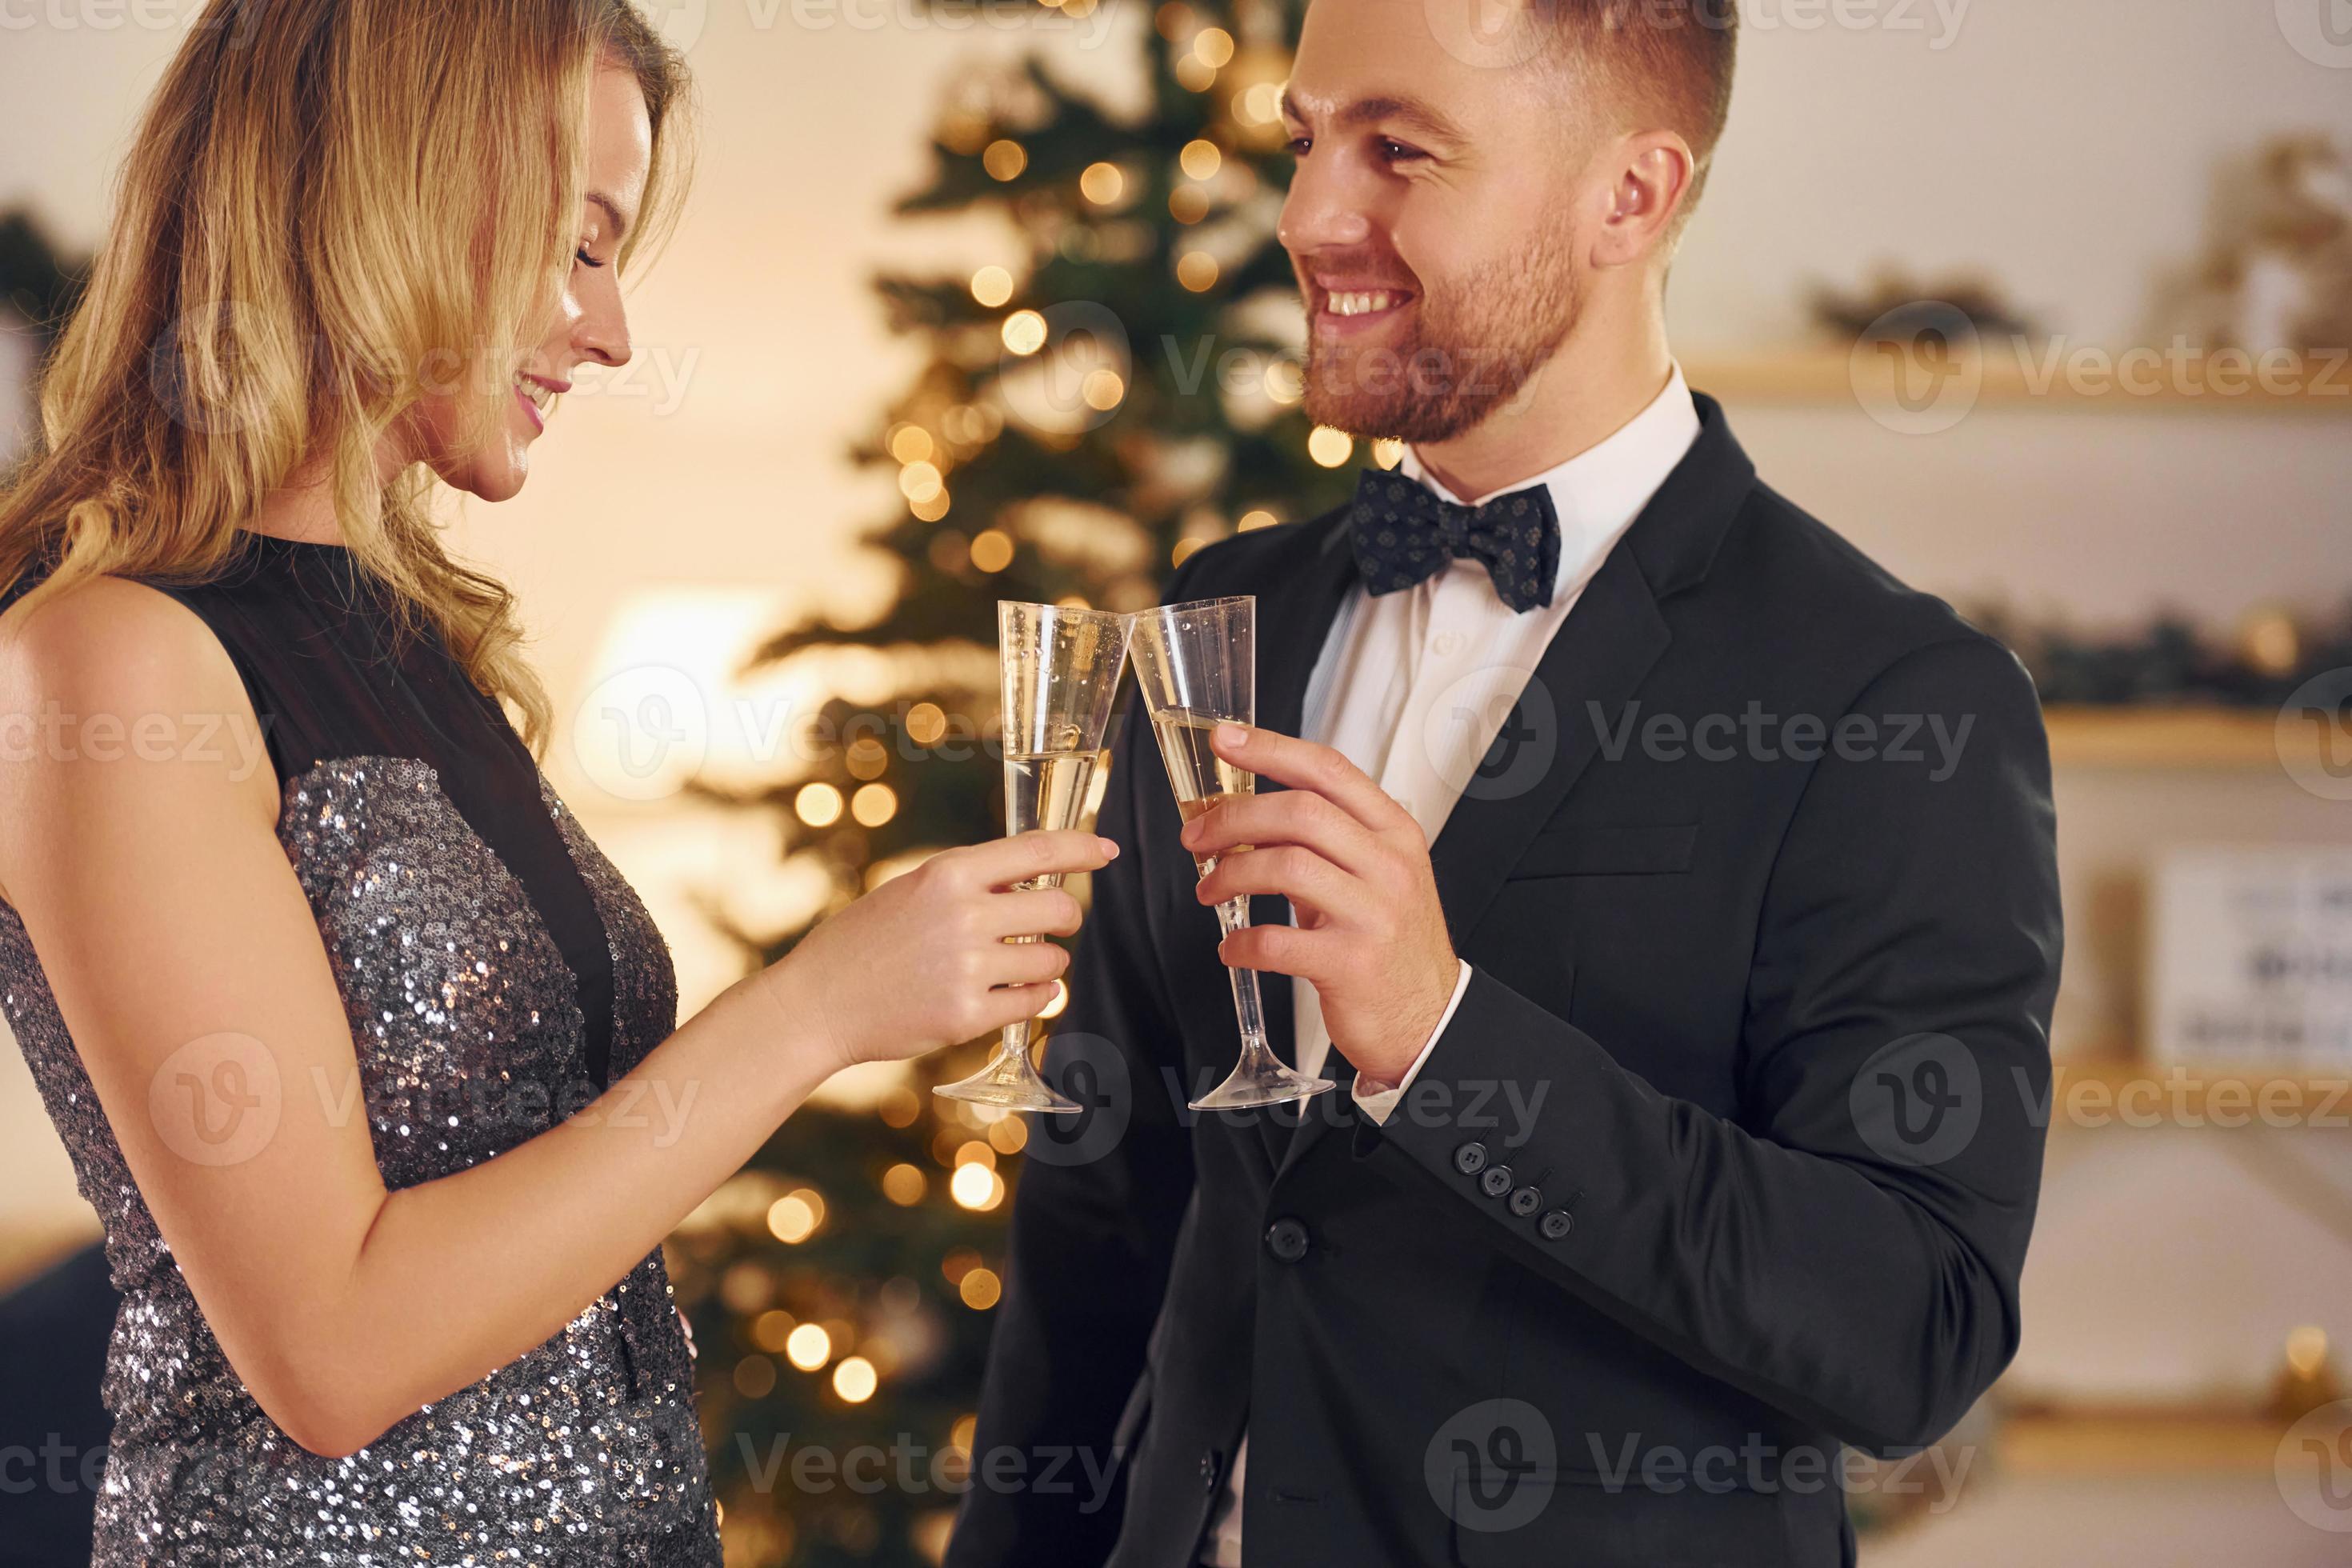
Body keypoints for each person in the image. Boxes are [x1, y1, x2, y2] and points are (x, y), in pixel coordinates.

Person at [952, 1, 2062, 1565]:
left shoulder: (1894, 697)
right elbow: (1097, 1226)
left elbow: (1915, 1327)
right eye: (1305, 140)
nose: (1310, 215)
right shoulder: (1225, 610)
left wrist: (1446, 1039)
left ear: (1634, 194)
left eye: (1397, 149)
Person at [0, 3, 1110, 1562]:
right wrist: (812, 1012)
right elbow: (330, 1350)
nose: (610, 332)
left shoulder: (422, 645)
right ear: (392, 193)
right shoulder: (108, 666)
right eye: (579, 244)